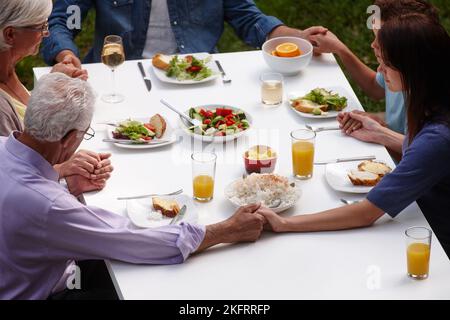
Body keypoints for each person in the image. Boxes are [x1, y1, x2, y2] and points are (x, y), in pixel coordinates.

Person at [0, 72, 267, 300]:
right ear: (69, 139)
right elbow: (134, 241)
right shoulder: (49, 206)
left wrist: (66, 184)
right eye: (85, 134)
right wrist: (226, 230)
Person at [258, 14, 450, 258]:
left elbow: (366, 213)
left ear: (413, 68)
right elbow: (425, 158)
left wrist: (283, 224)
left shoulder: (438, 135)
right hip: (416, 213)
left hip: (434, 242)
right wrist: (380, 133)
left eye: (386, 63)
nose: (379, 69)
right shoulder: (431, 100)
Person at [0, 0, 109, 187]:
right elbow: (11, 174)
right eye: (41, 26)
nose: (46, 33)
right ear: (10, 34)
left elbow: (24, 113)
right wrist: (62, 169)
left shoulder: (7, 68)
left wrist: (52, 85)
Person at [41, 0, 327, 67]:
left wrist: (295, 36)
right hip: (122, 74)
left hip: (198, 74)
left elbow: (249, 19)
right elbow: (62, 21)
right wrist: (65, 55)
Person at [310, 0, 439, 135]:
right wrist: (340, 49)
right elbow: (375, 88)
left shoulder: (431, 98)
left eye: (381, 39)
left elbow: (420, 147)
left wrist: (380, 132)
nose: (373, 45)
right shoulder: (397, 69)